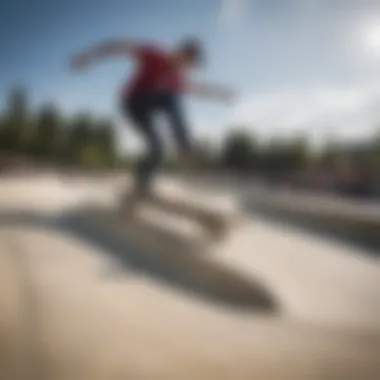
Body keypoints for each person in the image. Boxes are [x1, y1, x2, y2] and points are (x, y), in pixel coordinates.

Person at [70, 37, 235, 211]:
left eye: (189, 65)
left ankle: (140, 187)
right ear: (180, 52)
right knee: (171, 97)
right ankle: (184, 144)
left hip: (147, 112)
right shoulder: (155, 55)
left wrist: (219, 93)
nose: (184, 67)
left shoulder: (178, 76)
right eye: (186, 61)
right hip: (133, 103)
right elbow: (118, 47)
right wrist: (88, 56)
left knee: (157, 148)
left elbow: (195, 89)